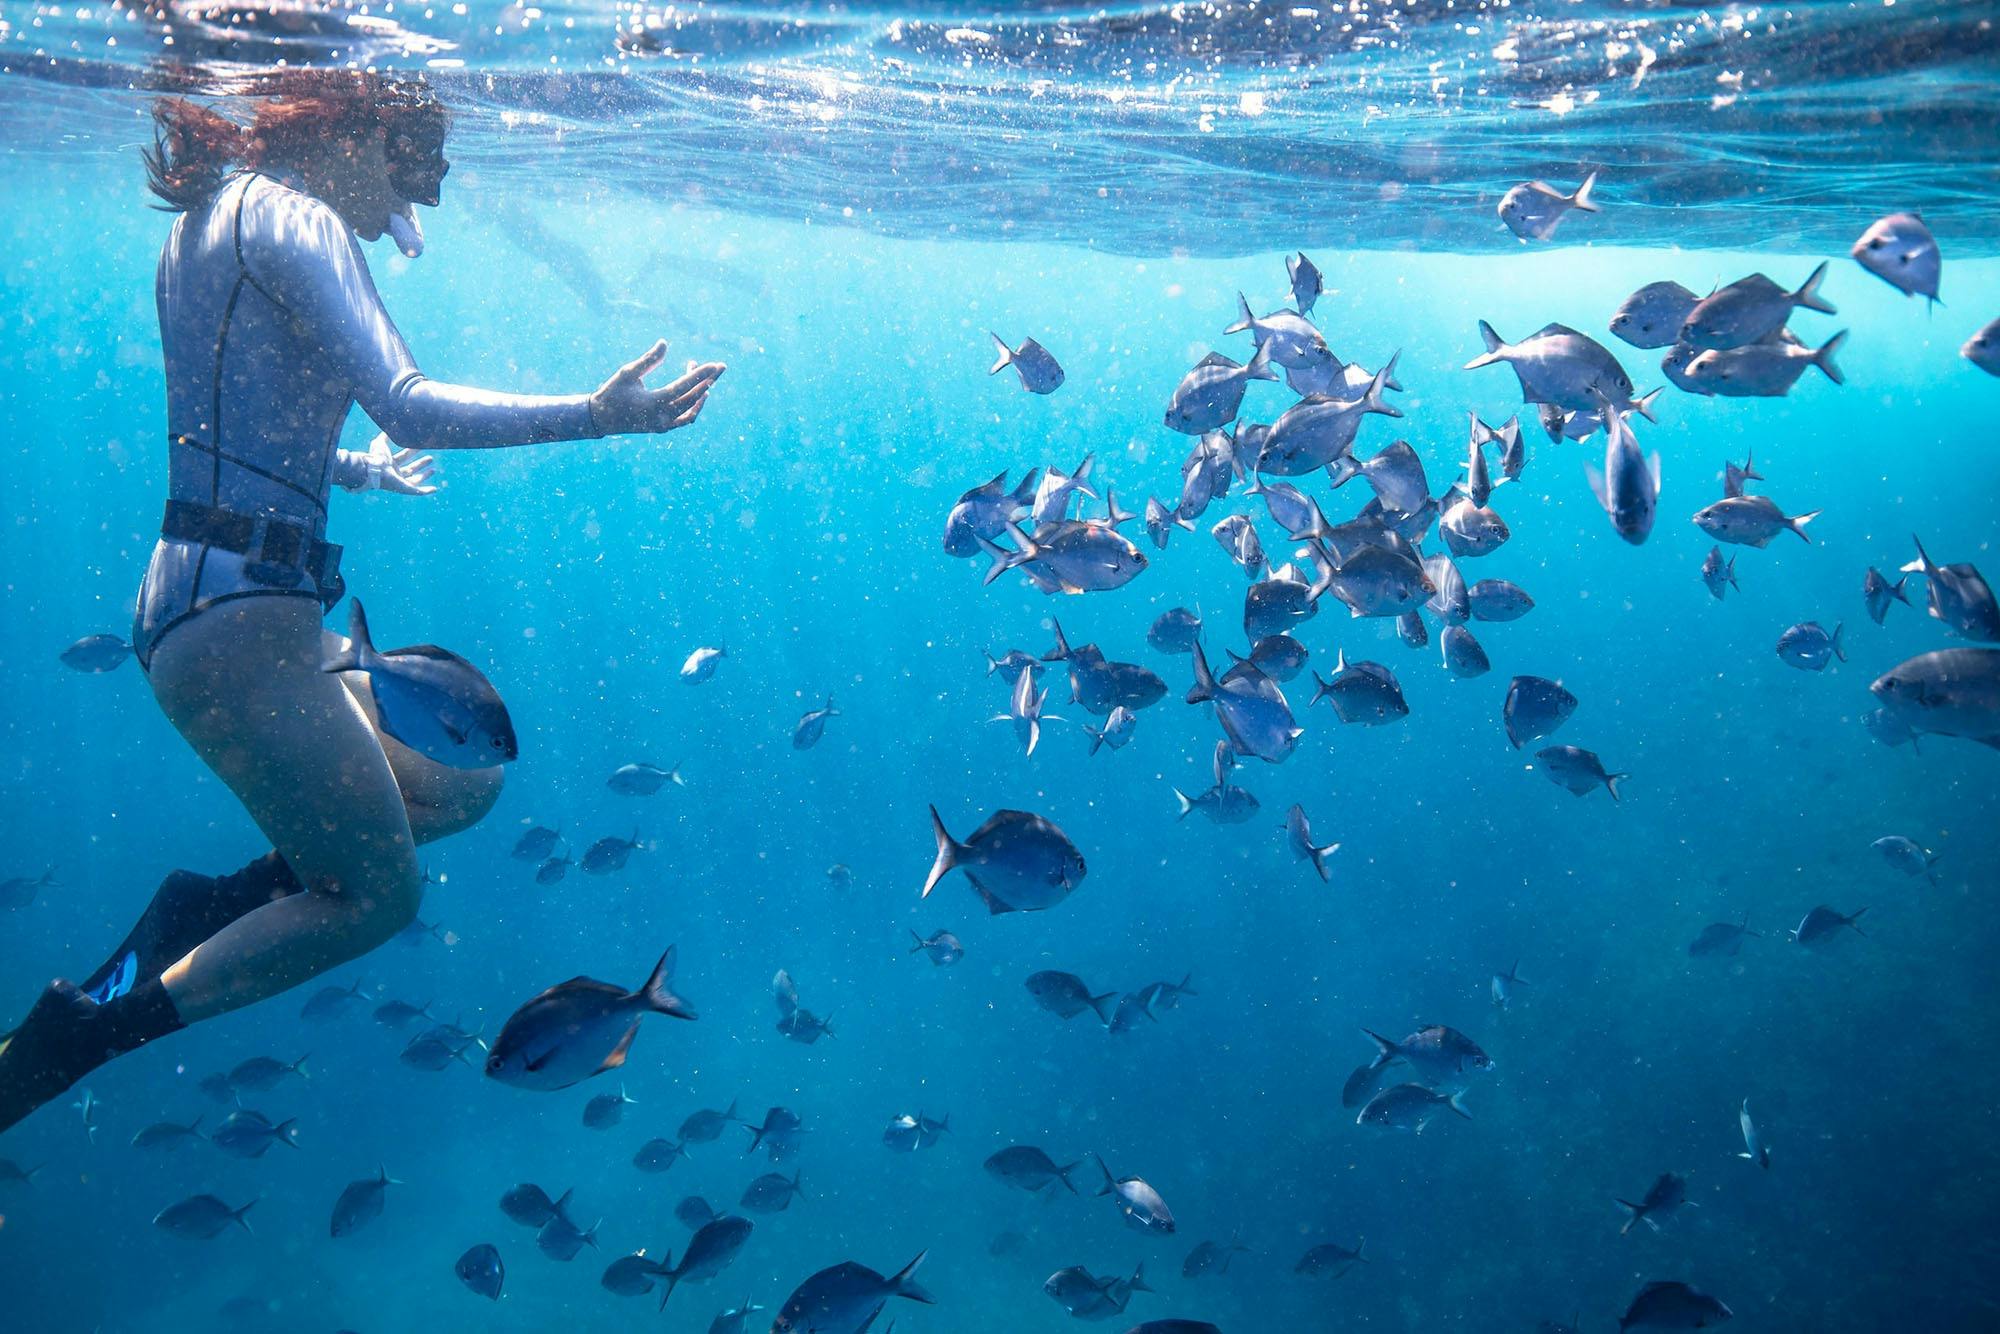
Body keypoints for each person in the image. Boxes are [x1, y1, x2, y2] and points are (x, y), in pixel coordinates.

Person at [0, 70, 724, 1132]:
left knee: (457, 782)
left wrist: (352, 470)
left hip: (206, 609)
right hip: (245, 627)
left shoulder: (208, 217)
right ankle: (76, 1040)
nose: (413, 208)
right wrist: (597, 415)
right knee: (378, 898)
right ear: (345, 127)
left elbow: (229, 421)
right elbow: (410, 402)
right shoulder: (294, 218)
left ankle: (196, 917)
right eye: (409, 165)